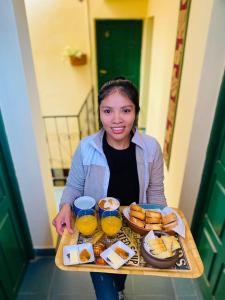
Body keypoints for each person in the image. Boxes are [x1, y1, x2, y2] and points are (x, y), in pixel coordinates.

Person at [53, 77, 167, 300]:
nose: (117, 120)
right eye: (107, 111)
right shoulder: (86, 148)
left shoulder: (151, 148)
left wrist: (157, 225)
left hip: (131, 231)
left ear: (136, 112)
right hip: (94, 232)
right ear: (99, 112)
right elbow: (74, 185)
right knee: (106, 295)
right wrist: (65, 206)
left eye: (125, 110)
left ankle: (120, 289)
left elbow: (155, 191)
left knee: (120, 274)